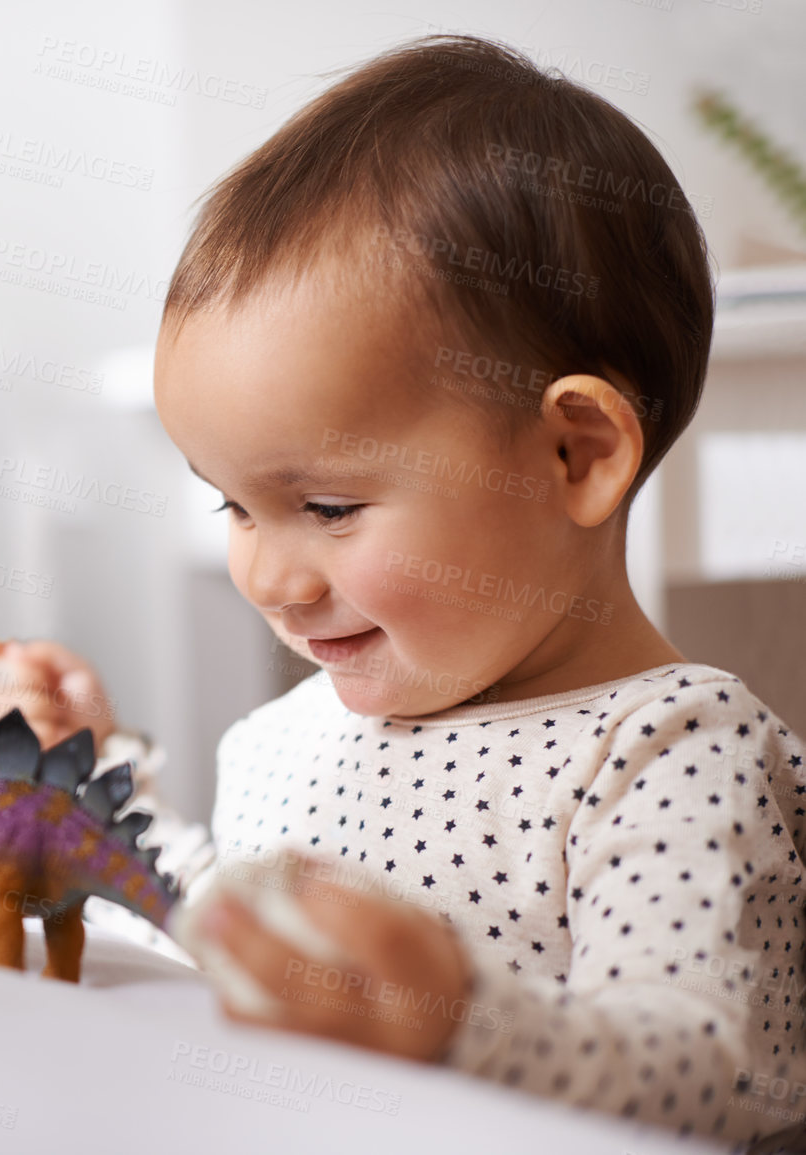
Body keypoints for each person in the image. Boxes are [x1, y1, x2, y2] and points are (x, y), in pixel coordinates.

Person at [124, 35, 806, 1148]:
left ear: (576, 456)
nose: (271, 577)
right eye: (235, 509)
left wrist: (453, 1027)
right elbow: (228, 940)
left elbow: (703, 1072)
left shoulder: (667, 750)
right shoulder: (279, 741)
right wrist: (100, 789)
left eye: (330, 509)